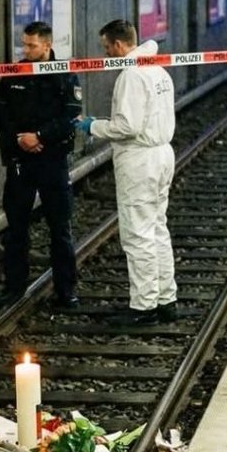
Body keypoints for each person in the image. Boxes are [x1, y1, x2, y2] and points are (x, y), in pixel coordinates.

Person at [76, 19, 177, 324]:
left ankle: (144, 307)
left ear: (119, 45)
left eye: (106, 47)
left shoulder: (131, 75)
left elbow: (127, 127)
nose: (106, 53)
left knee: (138, 234)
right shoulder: (158, 69)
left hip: (140, 160)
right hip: (161, 154)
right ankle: (165, 298)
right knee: (158, 228)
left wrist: (93, 125)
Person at [0, 21, 82, 307]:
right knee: (16, 228)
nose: (26, 49)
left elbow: (70, 115)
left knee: (60, 228)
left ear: (47, 45)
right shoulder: (14, 73)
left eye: (32, 45)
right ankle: (14, 287)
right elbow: (0, 112)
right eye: (24, 44)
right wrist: (20, 138)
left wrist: (40, 136)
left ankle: (66, 291)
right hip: (21, 161)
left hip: (52, 160)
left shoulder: (64, 75)